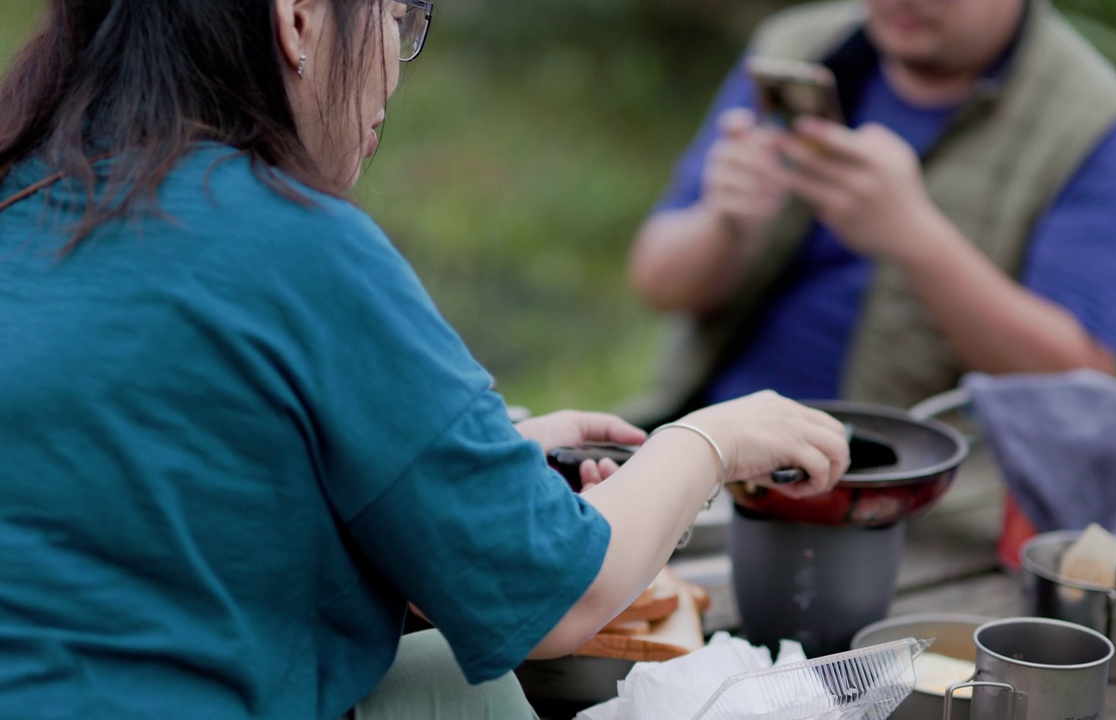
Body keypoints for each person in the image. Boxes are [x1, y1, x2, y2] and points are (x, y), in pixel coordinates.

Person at [0, 1, 851, 718]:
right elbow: (563, 593)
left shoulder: (26, 190)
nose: (395, 70)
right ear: (299, 17)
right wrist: (709, 442)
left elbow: (168, 515)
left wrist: (478, 469)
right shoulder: (292, 243)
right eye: (396, 15)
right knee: (462, 687)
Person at [624, 0, 1116, 425]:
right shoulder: (798, 45)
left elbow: (1081, 390)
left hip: (911, 495)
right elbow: (656, 284)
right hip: (707, 439)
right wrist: (725, 221)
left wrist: (917, 239)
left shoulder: (1096, 130)